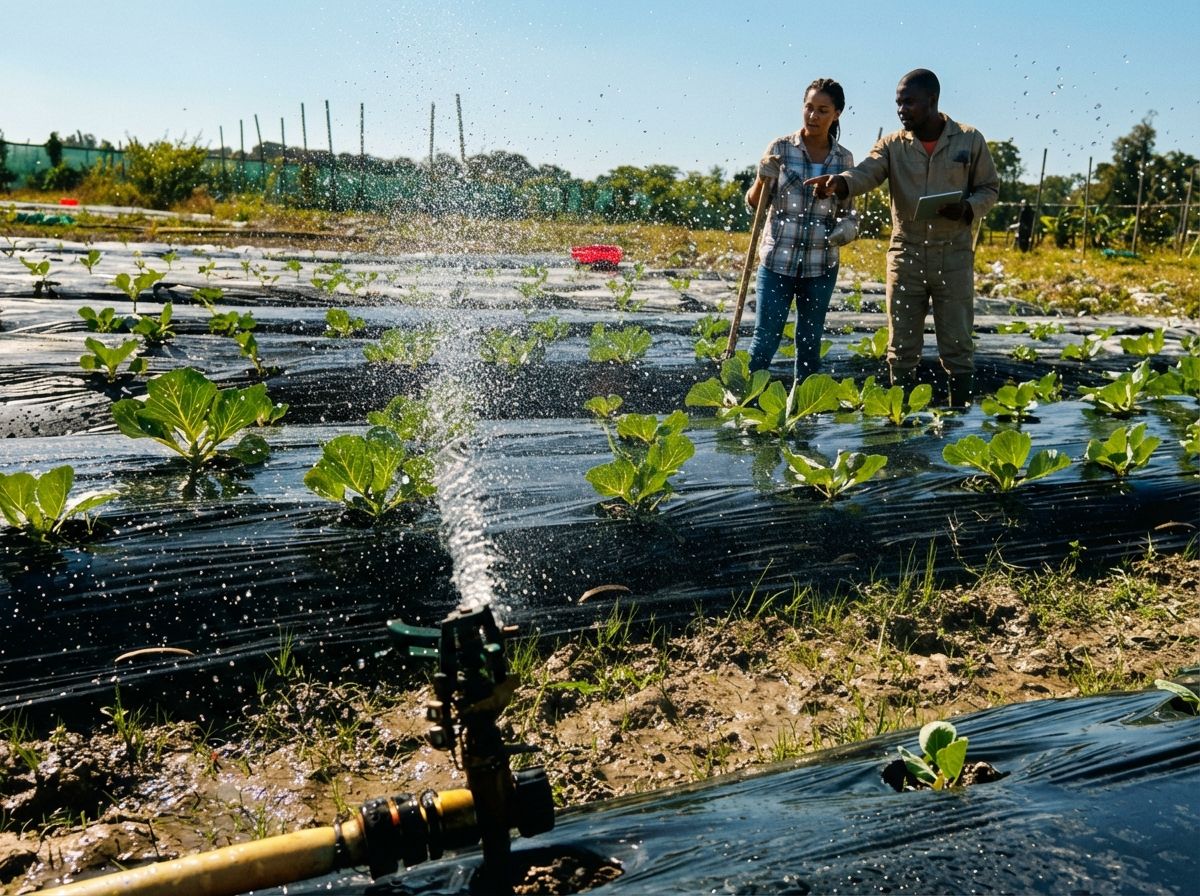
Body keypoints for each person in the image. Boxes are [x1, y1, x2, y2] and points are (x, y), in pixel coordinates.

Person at [806, 69, 999, 406]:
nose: (901, 110)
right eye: (898, 103)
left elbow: (989, 188)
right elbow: (867, 172)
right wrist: (841, 182)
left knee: (957, 343)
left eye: (909, 102)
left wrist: (968, 208)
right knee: (902, 345)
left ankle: (960, 415)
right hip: (906, 254)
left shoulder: (969, 140)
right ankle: (901, 418)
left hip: (953, 255)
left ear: (932, 100)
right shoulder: (892, 145)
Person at [745, 78, 857, 383]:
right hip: (776, 262)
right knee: (764, 340)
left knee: (809, 344)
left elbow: (849, 212)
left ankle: (803, 407)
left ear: (837, 114)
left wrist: (847, 229)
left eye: (822, 110)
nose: (813, 116)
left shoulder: (844, 159)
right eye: (809, 107)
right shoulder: (781, 149)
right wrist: (761, 177)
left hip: (821, 265)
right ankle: (746, 401)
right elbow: (754, 205)